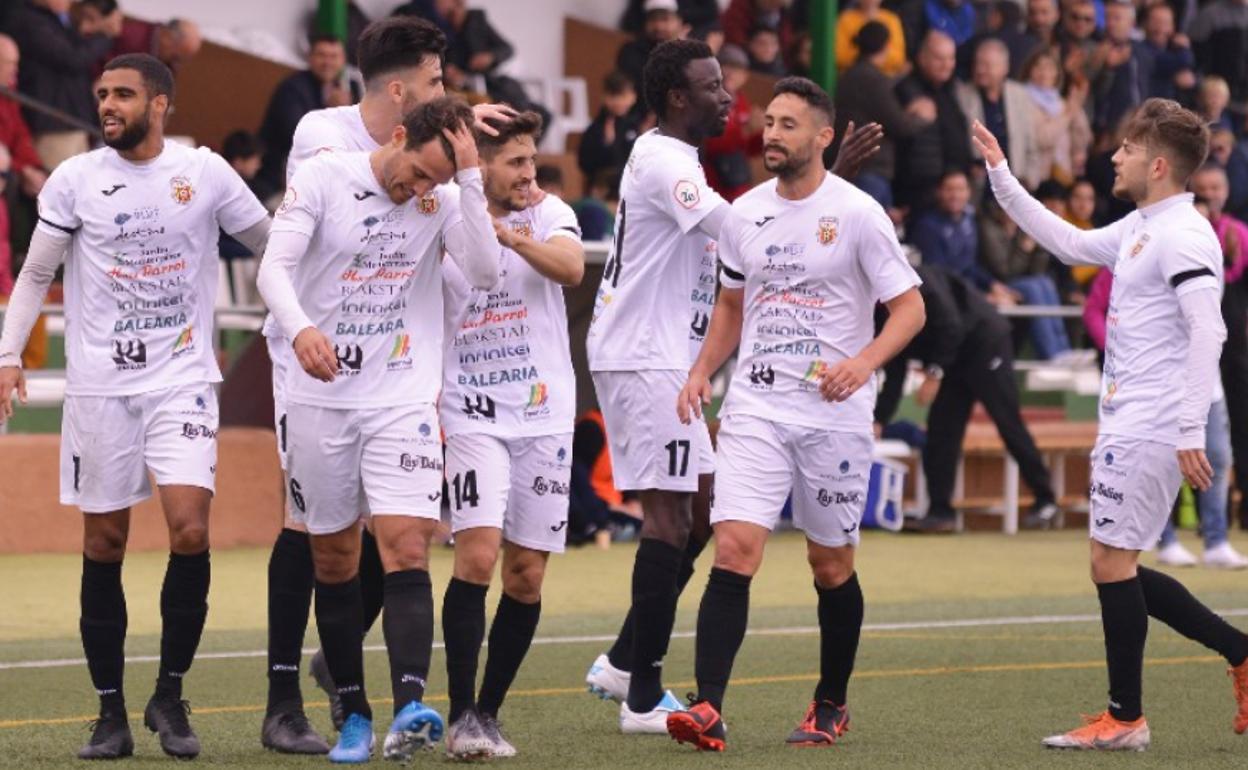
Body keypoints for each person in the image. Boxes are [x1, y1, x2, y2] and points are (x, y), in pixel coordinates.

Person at [582, 36, 884, 735]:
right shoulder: (663, 162)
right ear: (679, 98)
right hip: (648, 354)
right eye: (714, 86)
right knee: (670, 518)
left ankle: (628, 659)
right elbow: (751, 232)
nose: (729, 98)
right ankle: (642, 695)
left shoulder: (676, 157)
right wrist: (826, 174)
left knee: (707, 511)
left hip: (662, 353)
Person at [254, 15, 518, 755]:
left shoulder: (439, 191)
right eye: (420, 172)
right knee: (330, 554)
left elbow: (488, 271)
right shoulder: (322, 158)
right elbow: (276, 265)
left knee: (405, 542)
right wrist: (304, 327)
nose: (419, 191)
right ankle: (349, 712)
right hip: (315, 386)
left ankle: (408, 708)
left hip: (401, 391)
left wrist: (464, 178)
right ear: (399, 122)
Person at [0, 53, 270, 760]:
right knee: (104, 544)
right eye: (101, 95)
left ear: (161, 105)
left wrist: (303, 313)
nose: (107, 105)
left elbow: (274, 244)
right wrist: (4, 356)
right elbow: (34, 273)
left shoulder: (204, 172)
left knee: (189, 528)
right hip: (99, 389)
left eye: (123, 94)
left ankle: (170, 695)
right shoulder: (75, 179)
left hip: (181, 378)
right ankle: (110, 712)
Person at [976, 98, 1248, 750]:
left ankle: (1126, 718)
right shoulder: (1139, 227)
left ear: (1156, 164)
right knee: (1112, 563)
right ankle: (1236, 651)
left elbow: (1208, 327)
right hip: (1130, 421)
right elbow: (1066, 240)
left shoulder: (1184, 234)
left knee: (1110, 562)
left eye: (1126, 148)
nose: (1114, 156)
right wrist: (1001, 174)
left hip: (1153, 424)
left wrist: (1188, 429)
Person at [664, 76, 925, 752]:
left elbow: (910, 310)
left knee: (829, 564)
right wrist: (701, 370)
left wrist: (864, 363)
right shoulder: (744, 212)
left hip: (834, 414)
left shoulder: (861, 214)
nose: (771, 133)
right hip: (755, 405)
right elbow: (729, 307)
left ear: (823, 136)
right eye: (769, 122)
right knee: (736, 546)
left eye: (786, 124)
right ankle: (709, 707)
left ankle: (830, 703)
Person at [438, 110, 585, 759]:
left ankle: (488, 711)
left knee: (525, 575)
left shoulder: (549, 213)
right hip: (470, 408)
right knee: (476, 554)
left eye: (532, 161)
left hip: (545, 411)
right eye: (516, 162)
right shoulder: (442, 210)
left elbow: (572, 268)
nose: (529, 174)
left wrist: (509, 236)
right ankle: (459, 713)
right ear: (481, 165)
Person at [876, 264, 1064, 532]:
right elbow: (894, 370)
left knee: (1008, 424)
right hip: (953, 359)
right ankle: (941, 512)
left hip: (984, 343)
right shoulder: (880, 312)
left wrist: (934, 373)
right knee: (941, 432)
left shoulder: (919, 283)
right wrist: (879, 420)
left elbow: (951, 325)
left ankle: (1046, 500)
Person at [835, 20, 934, 209]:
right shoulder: (874, 80)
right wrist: (922, 117)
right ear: (887, 46)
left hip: (850, 166)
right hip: (870, 170)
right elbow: (899, 125)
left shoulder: (846, 77)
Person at [9, 0, 114, 170]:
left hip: (73, 121)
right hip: (53, 124)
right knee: (61, 189)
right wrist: (104, 36)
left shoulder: (55, 19)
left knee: (79, 188)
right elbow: (72, 58)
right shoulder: (29, 20)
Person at [256, 34, 358, 200]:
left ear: (343, 60)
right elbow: (299, 136)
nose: (328, 63)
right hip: (278, 180)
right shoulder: (292, 88)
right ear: (310, 58)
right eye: (321, 55)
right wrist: (331, 110)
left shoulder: (350, 87)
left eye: (334, 57)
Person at [894, 31, 973, 210]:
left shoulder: (953, 90)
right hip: (920, 194)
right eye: (939, 59)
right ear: (922, 58)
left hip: (952, 190)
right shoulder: (906, 90)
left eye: (950, 59)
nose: (946, 65)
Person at [958, 39, 1042, 189]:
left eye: (987, 65)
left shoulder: (1020, 95)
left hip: (1016, 188)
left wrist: (1029, 181)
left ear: (1004, 68)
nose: (980, 70)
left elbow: (1032, 147)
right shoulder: (963, 96)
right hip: (979, 189)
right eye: (978, 64)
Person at [1019, 48, 1091, 187]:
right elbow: (1042, 138)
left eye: (1049, 67)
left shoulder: (1062, 103)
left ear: (1057, 73)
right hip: (1036, 177)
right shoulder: (1021, 100)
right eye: (1038, 67)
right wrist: (1068, 114)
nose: (1044, 72)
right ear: (1029, 70)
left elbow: (1083, 138)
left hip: (1062, 174)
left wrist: (1077, 106)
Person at [703, 45, 762, 201]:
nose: (730, 73)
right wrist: (746, 130)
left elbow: (748, 149)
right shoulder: (707, 100)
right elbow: (708, 143)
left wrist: (762, 134)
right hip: (711, 186)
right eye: (725, 66)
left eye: (736, 69)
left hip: (737, 186)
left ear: (745, 76)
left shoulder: (741, 101)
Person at [616, 0, 687, 115]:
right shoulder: (631, 52)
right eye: (653, 19)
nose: (659, 26)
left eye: (665, 19)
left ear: (679, 22)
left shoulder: (690, 53)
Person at [577, 71, 640, 194]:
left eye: (623, 95)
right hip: (604, 191)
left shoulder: (636, 125)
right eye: (614, 95)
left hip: (632, 189)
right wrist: (607, 146)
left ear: (633, 97)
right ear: (605, 97)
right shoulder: (596, 129)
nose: (618, 101)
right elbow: (585, 163)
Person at [836, 0, 908, 76]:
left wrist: (864, 57)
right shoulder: (845, 19)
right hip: (853, 75)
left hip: (885, 78)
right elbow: (840, 56)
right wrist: (876, 57)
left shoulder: (892, 19)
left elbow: (898, 58)